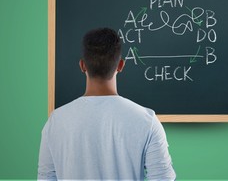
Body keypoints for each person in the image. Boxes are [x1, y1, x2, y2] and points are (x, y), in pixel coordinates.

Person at [38, 28, 176, 180]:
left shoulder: (56, 121)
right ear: (121, 65)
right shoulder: (147, 120)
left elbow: (45, 177)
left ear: (82, 65)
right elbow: (163, 178)